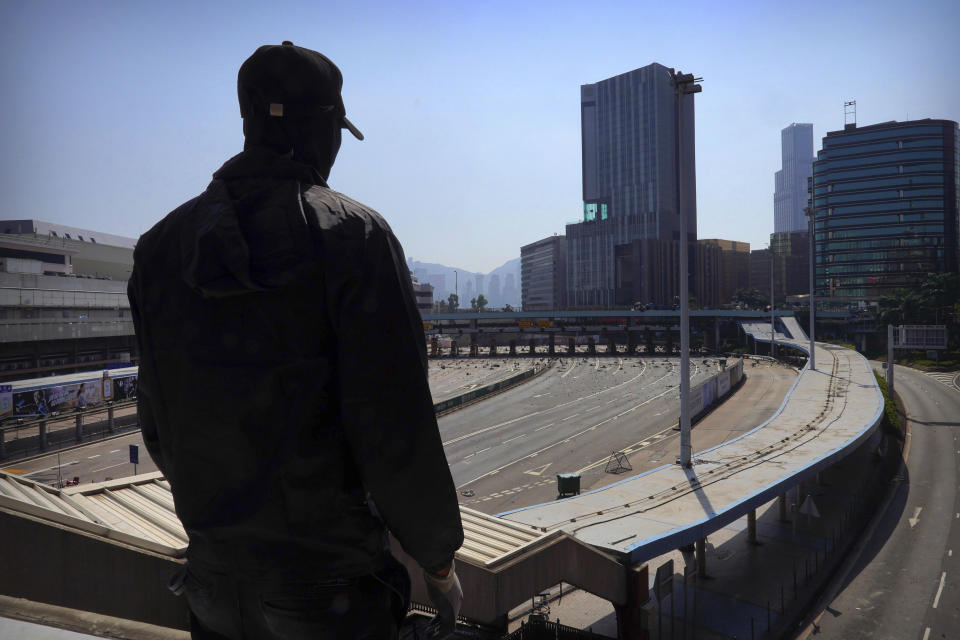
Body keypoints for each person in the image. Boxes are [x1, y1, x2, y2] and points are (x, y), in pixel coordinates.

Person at [128, 41, 464, 639]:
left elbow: (157, 424)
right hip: (328, 589)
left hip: (212, 585)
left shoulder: (159, 249)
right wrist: (437, 561)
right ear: (324, 129)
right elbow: (394, 426)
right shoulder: (352, 235)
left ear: (247, 121)